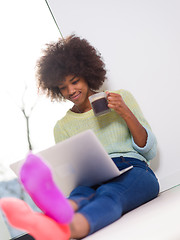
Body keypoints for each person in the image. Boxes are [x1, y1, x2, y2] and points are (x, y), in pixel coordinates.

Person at [0, 34, 159, 240]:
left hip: (133, 169)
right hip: (92, 179)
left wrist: (125, 112)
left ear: (87, 74)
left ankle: (68, 227)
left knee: (109, 195)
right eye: (63, 87)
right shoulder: (62, 126)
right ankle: (57, 212)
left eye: (74, 82)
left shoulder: (120, 98)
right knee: (80, 192)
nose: (70, 91)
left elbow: (150, 151)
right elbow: (70, 173)